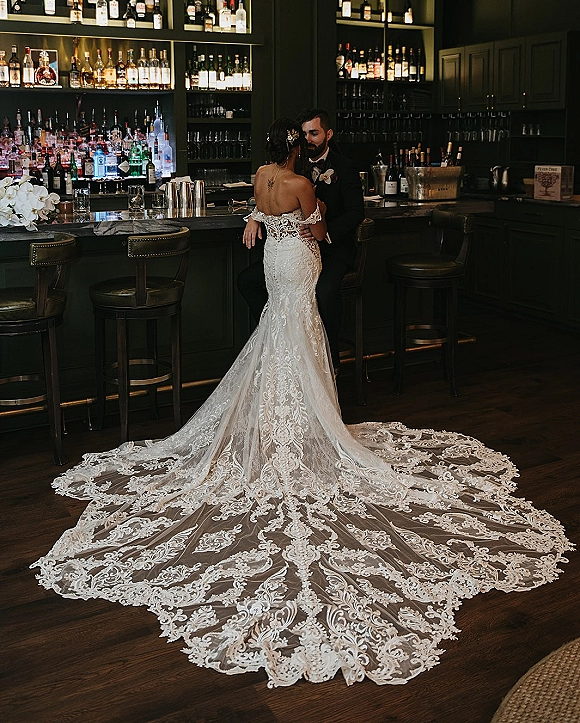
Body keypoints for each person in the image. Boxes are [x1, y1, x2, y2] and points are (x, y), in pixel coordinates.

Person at [32, 118, 571, 689]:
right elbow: (313, 226)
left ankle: (276, 409)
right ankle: (308, 412)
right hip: (298, 262)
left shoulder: (261, 179)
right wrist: (307, 220)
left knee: (277, 329)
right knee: (302, 328)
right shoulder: (300, 183)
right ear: (296, 146)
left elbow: (264, 215)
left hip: (273, 264)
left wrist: (251, 218)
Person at [238, 107, 364, 372]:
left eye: (314, 133)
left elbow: (356, 212)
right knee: (248, 281)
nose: (308, 140)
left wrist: (326, 230)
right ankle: (281, 340)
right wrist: (254, 216)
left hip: (332, 247)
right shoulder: (297, 165)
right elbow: (273, 196)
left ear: (328, 134)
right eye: (304, 134)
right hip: (295, 252)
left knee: (325, 292)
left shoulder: (345, 166)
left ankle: (330, 360)